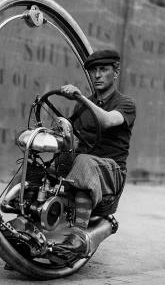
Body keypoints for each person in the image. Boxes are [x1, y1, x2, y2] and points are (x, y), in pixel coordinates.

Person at [58, 49, 136, 257]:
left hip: (111, 173)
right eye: (93, 71)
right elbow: (70, 136)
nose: (97, 75)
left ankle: (77, 236)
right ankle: (26, 224)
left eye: (103, 69)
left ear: (116, 72)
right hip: (87, 167)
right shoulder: (82, 107)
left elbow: (108, 120)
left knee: (83, 161)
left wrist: (81, 98)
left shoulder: (125, 104)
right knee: (42, 162)